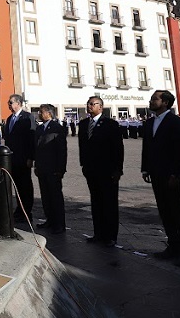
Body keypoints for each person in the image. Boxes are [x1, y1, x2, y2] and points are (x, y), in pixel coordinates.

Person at [141, 91, 180, 266]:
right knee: (164, 211)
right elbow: (147, 148)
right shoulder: (150, 123)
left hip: (171, 174)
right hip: (156, 173)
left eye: (154, 99)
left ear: (164, 102)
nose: (151, 101)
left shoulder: (176, 123)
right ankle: (172, 245)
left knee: (177, 211)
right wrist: (145, 168)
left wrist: (176, 173)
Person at [78, 96, 124, 247]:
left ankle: (110, 235)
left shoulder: (110, 124)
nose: (90, 106)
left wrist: (118, 169)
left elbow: (118, 148)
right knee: (96, 202)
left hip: (107, 170)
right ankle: (98, 233)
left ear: (101, 107)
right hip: (91, 170)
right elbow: (82, 146)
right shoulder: (84, 124)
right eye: (88, 104)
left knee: (109, 202)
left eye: (93, 104)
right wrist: (83, 165)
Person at [2, 94, 36, 223]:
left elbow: (31, 138)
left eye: (11, 102)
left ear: (18, 103)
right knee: (17, 186)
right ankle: (19, 209)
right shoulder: (10, 118)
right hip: (12, 159)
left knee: (25, 186)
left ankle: (26, 211)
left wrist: (30, 157)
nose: (9, 105)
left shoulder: (28, 117)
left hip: (23, 158)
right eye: (8, 103)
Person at [34, 104, 67, 234]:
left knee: (55, 196)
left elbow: (62, 150)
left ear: (49, 113)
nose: (39, 114)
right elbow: (37, 148)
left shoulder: (57, 128)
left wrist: (61, 169)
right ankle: (50, 220)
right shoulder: (40, 128)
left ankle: (59, 223)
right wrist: (36, 165)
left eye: (41, 112)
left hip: (53, 168)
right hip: (42, 167)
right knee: (45, 196)